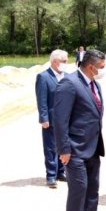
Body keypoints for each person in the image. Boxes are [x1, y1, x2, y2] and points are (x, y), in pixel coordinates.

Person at [53, 49, 106, 211]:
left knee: (92, 187)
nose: (104, 70)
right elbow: (60, 120)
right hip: (75, 148)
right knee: (79, 188)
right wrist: (64, 149)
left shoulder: (95, 85)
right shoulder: (69, 84)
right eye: (102, 67)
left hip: (93, 146)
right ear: (91, 66)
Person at [35, 49, 69, 188]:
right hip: (51, 118)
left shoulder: (67, 76)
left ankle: (61, 172)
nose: (67, 63)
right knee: (51, 147)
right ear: (55, 62)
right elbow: (41, 99)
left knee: (64, 145)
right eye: (64, 61)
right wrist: (43, 118)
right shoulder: (43, 77)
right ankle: (51, 175)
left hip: (66, 118)